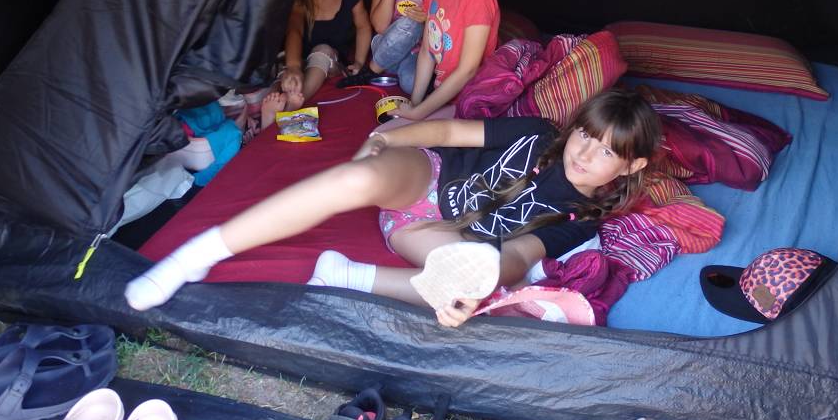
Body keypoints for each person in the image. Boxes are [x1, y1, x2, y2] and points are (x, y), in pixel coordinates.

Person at [124, 88, 661, 328]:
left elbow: (518, 256)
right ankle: (198, 254)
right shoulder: (540, 134)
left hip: (436, 237)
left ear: (631, 165)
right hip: (426, 175)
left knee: (483, 285)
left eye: (606, 151)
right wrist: (387, 137)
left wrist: (471, 290)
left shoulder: (582, 220)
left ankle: (349, 274)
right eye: (585, 135)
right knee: (356, 176)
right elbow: (449, 132)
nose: (584, 154)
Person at [262, 0, 372, 126]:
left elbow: (363, 26)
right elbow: (294, 30)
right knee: (283, 77)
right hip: (300, 60)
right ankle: (270, 114)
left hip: (330, 62)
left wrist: (359, 61)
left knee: (322, 50)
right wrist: (293, 67)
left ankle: (294, 103)